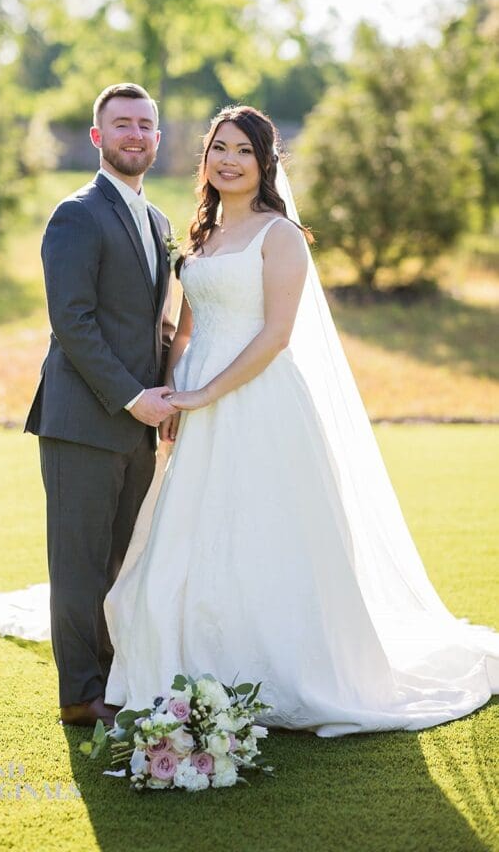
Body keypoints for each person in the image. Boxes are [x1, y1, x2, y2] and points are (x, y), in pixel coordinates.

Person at [102, 105, 499, 737]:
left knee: (265, 531)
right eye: (220, 148)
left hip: (259, 400)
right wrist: (175, 392)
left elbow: (276, 337)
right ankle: (196, 666)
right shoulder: (200, 237)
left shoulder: (280, 236)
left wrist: (207, 393)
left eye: (245, 152)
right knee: (193, 532)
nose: (229, 160)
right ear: (206, 157)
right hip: (196, 400)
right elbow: (189, 324)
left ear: (265, 165)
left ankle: (282, 673)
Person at [19, 82, 176, 728]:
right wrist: (134, 397)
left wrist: (175, 390)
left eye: (145, 125)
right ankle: (79, 696)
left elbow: (150, 325)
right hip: (84, 423)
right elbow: (73, 322)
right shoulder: (76, 214)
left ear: (157, 139)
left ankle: (113, 679)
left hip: (139, 428)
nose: (134, 135)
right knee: (79, 567)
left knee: (120, 562)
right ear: (97, 137)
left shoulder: (159, 221)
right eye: (122, 125)